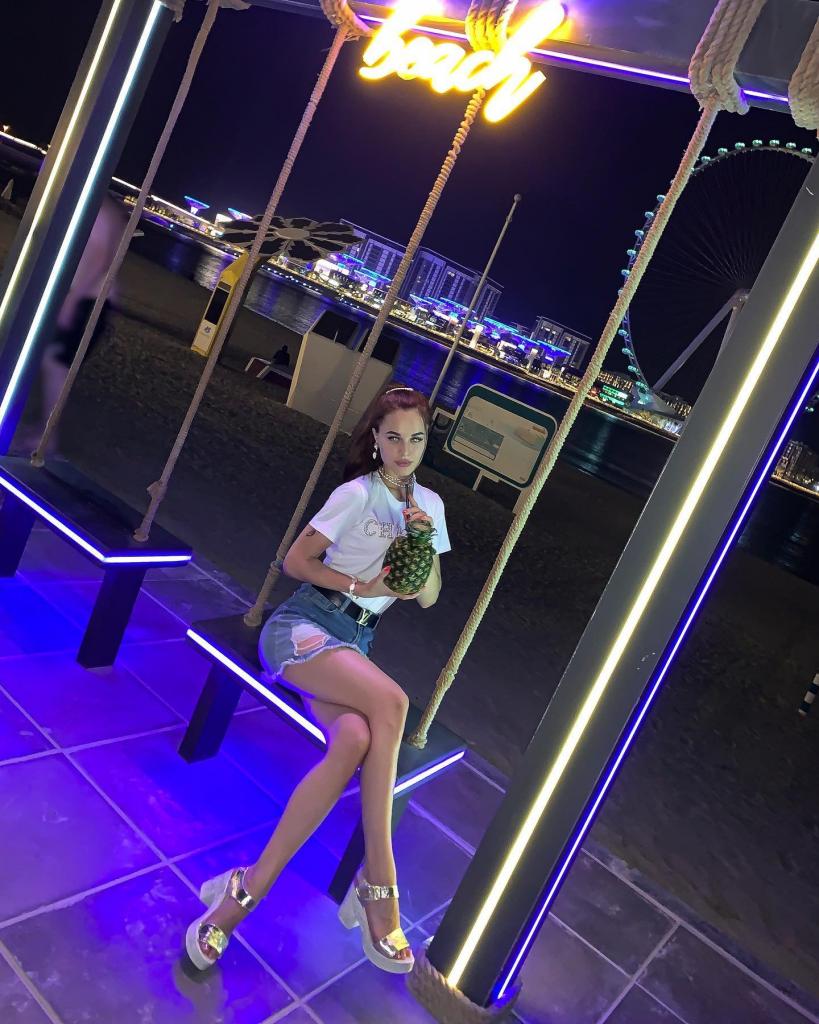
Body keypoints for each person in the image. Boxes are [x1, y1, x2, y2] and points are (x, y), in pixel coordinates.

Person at [185, 385, 450, 974]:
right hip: (304, 625)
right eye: (393, 437)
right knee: (393, 701)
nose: (404, 450)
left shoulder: (429, 505)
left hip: (354, 643)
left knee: (355, 739)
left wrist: (423, 541)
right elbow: (296, 562)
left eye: (416, 439)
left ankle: (241, 892)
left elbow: (429, 596)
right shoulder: (356, 495)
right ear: (375, 440)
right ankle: (380, 882)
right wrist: (360, 585)